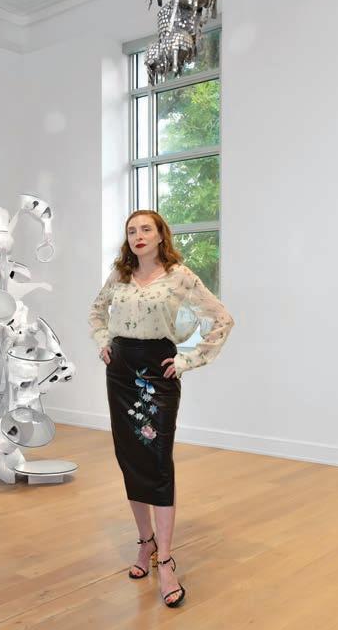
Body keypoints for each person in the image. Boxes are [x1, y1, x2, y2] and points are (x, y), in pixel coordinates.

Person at [88, 210, 234, 608]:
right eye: (131, 230)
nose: (138, 235)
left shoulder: (179, 276)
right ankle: (145, 542)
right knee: (129, 458)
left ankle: (166, 560)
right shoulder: (119, 276)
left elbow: (222, 318)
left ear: (159, 235)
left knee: (157, 459)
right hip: (120, 372)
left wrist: (188, 360)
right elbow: (96, 312)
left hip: (157, 371)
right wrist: (103, 341)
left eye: (145, 229)